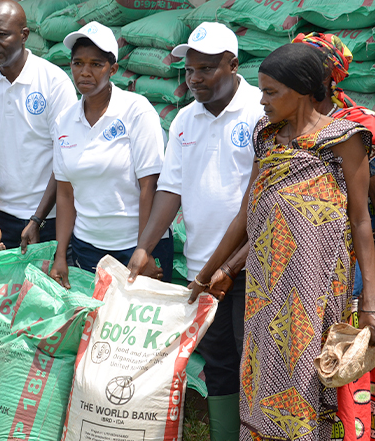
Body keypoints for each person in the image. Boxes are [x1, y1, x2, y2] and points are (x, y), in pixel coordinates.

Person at [188, 43, 375, 440]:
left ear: (301, 90)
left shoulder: (342, 139)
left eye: (270, 92)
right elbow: (247, 215)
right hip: (266, 286)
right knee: (262, 371)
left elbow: (360, 218)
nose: (262, 100)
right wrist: (207, 274)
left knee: (304, 376)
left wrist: (371, 296)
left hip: (314, 288)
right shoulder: (265, 137)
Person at [126, 22, 265, 440]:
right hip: (201, 266)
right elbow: (171, 188)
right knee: (219, 360)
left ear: (233, 64)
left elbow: (260, 198)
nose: (195, 79)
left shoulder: (262, 110)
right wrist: (144, 246)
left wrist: (228, 264)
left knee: (252, 361)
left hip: (251, 264)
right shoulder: (185, 118)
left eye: (205, 69)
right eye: (189, 71)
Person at [292, 32, 375, 441]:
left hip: (356, 267)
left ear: (324, 76)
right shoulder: (286, 122)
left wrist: (373, 281)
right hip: (307, 264)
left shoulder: (360, 129)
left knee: (347, 367)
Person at [47, 21, 171, 285]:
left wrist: (144, 250)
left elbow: (149, 186)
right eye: (78, 63)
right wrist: (60, 254)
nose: (85, 72)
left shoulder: (136, 111)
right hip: (87, 247)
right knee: (95, 324)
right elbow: (65, 192)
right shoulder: (64, 121)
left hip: (134, 246)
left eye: (95, 64)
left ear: (113, 69)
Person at [0, 0, 78, 254]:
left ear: (24, 35)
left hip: (50, 219)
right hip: (4, 219)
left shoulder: (53, 81)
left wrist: (37, 219)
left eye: (1, 35)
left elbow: (64, 158)